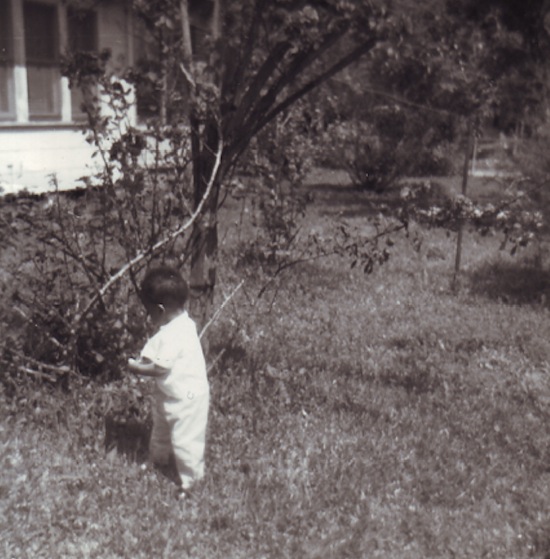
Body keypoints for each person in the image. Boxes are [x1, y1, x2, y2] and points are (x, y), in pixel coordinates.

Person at [128, 265, 209, 498]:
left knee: (185, 440)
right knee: (160, 430)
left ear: (161, 310)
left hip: (188, 398)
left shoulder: (172, 335)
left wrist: (135, 367)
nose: (147, 316)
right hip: (170, 393)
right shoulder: (183, 322)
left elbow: (159, 367)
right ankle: (159, 459)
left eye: (149, 311)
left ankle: (190, 482)